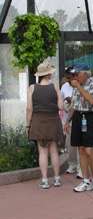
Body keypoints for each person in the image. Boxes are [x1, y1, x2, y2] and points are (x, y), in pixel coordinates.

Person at [27, 60, 65, 189]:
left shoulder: (32, 88)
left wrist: (28, 125)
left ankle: (44, 180)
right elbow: (61, 106)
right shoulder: (55, 87)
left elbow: (29, 109)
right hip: (53, 120)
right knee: (54, 151)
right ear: (48, 74)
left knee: (42, 152)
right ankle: (57, 179)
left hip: (38, 121)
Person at [66, 64, 93, 193]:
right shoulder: (76, 85)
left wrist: (78, 87)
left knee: (89, 150)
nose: (74, 77)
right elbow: (74, 104)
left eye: (76, 75)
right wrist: (67, 121)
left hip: (91, 117)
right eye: (73, 75)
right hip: (78, 117)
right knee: (81, 149)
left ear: (84, 74)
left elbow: (92, 101)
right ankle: (85, 181)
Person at [61, 66, 80, 176]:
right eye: (68, 76)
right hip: (68, 118)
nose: (69, 79)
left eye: (71, 76)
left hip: (79, 117)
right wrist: (65, 101)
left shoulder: (79, 86)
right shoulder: (64, 86)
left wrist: (71, 100)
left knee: (79, 143)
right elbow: (61, 100)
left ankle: (80, 166)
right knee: (69, 143)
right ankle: (72, 164)